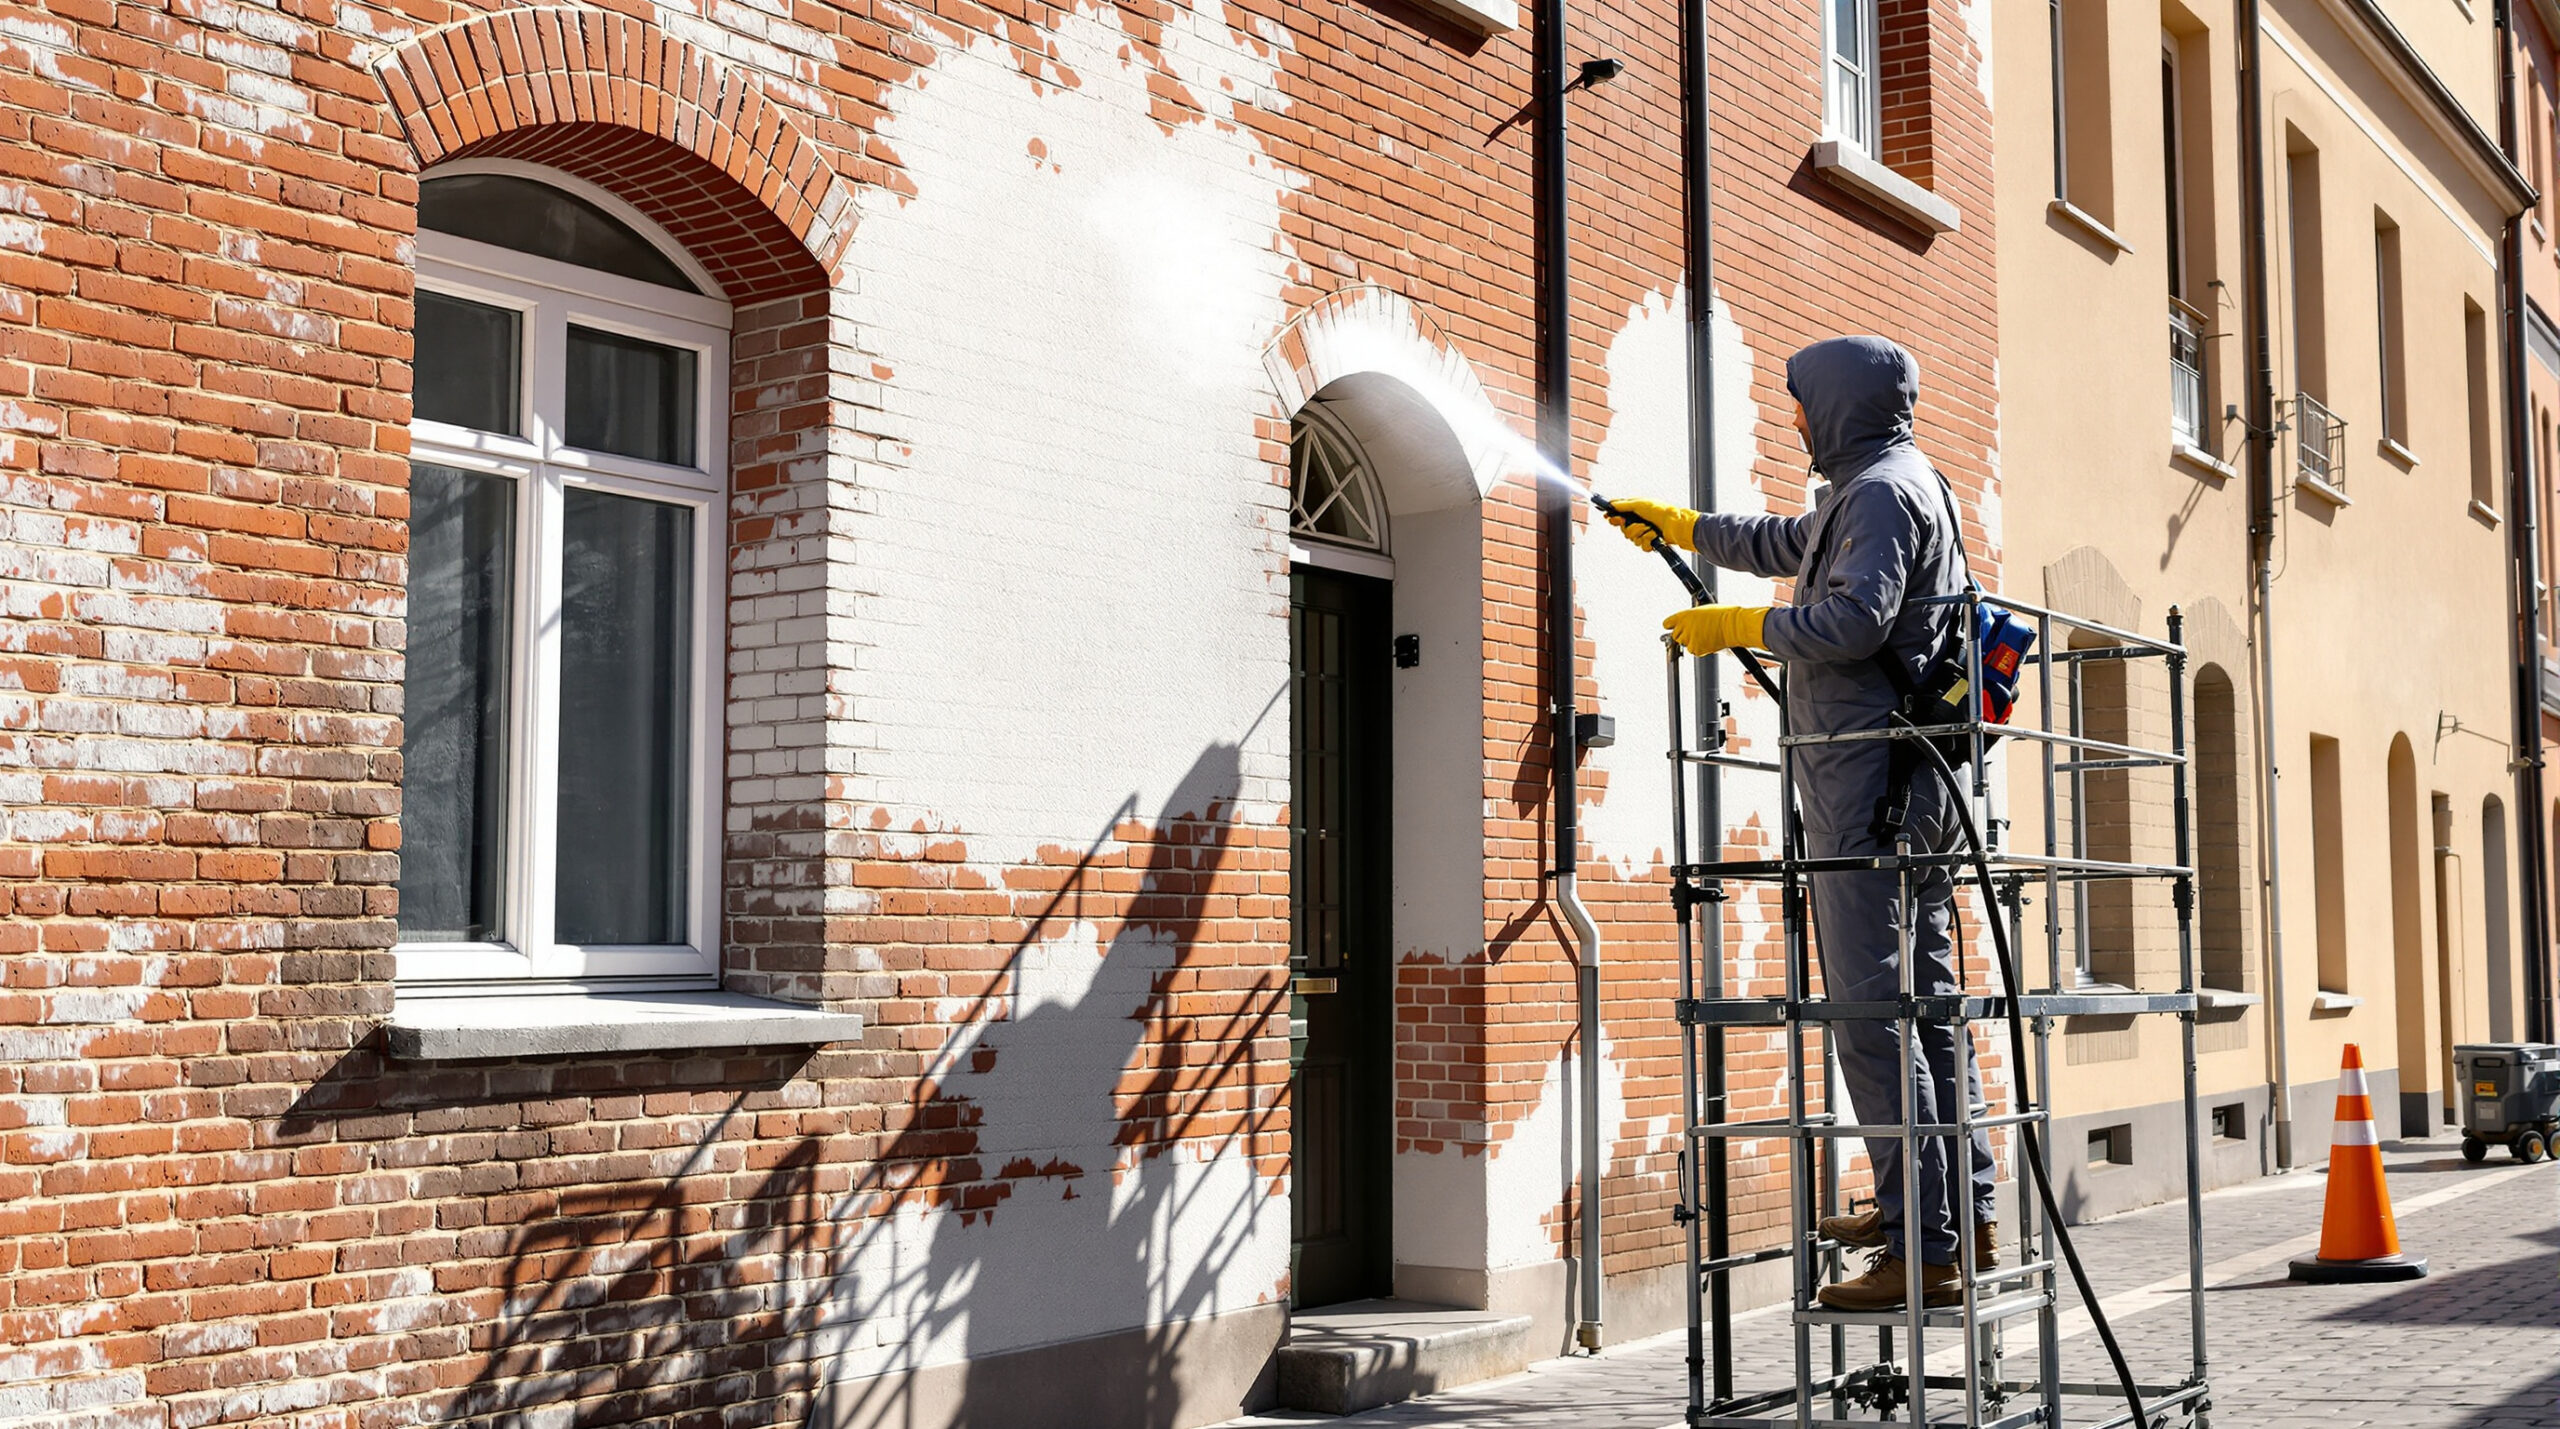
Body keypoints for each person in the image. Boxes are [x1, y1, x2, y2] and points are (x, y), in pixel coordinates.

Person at [1606, 334, 1997, 1310]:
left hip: (1867, 793)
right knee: (1931, 1009)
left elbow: (1854, 621)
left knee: (1874, 1018)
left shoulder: (1877, 494)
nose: (1793, 419)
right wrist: (1683, 527)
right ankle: (1960, 1216)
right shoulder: (1892, 483)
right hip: (1909, 791)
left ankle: (1921, 1244)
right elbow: (1791, 546)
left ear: (1836, 403)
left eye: (1798, 402)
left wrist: (1738, 628)